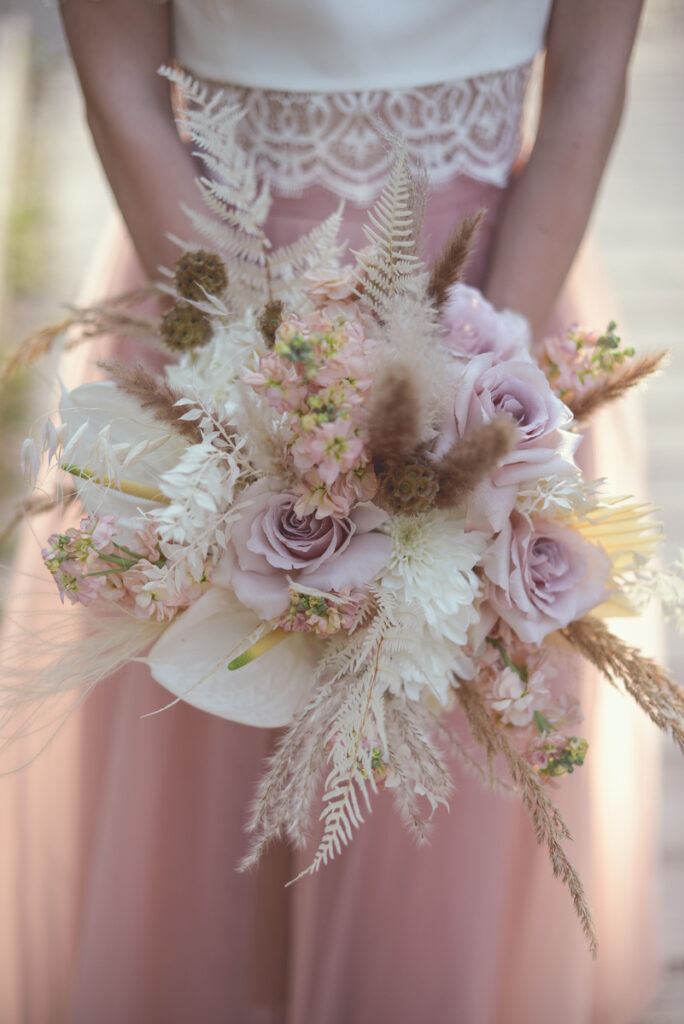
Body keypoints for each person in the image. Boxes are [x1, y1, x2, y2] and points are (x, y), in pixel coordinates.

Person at [0, 1, 659, 1021]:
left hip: (497, 309)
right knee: (200, 836)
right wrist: (256, 394)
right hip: (203, 325)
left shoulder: (490, 375)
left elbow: (588, 73)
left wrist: (473, 404)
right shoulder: (222, 360)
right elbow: (121, 80)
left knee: (440, 855)